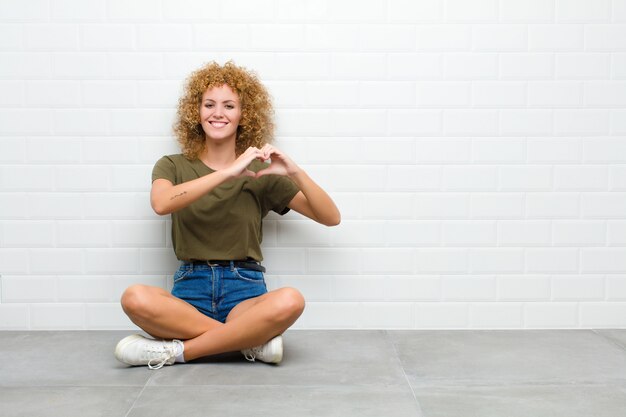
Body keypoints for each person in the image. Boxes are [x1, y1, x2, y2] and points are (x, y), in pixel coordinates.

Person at [114, 61, 340, 369]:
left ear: (243, 115)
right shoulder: (172, 165)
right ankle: (248, 342)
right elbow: (162, 203)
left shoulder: (260, 171)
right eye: (209, 104)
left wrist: (295, 172)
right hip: (189, 293)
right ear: (197, 111)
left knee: (291, 300)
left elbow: (330, 217)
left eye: (229, 105)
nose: (217, 113)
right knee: (134, 297)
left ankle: (177, 352)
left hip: (244, 290)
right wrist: (227, 173)